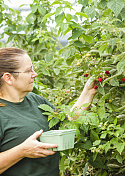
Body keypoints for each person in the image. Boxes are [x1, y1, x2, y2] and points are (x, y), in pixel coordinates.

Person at [0, 47, 97, 176]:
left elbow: (67, 123)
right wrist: (22, 151)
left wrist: (89, 92)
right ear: (9, 78)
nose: (34, 74)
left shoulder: (36, 101)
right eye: (29, 70)